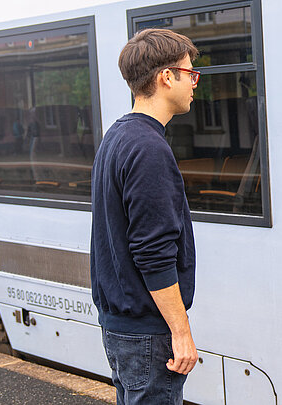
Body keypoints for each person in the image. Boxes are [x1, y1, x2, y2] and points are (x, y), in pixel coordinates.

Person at [90, 28, 200, 404]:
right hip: (147, 333)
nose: (194, 84)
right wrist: (181, 332)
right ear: (166, 76)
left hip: (120, 327)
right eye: (191, 74)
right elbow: (153, 252)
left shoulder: (116, 137)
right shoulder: (149, 148)